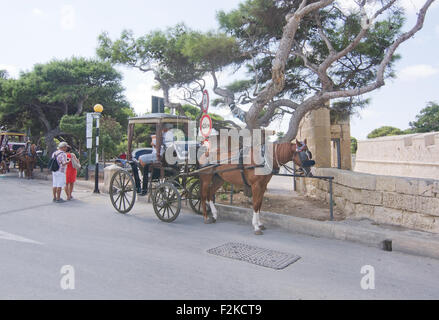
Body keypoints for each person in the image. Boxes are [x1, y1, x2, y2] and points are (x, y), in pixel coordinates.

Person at [136, 124, 174, 195]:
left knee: (140, 158)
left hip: (160, 156)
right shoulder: (170, 135)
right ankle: (147, 173)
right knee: (144, 160)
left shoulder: (163, 135)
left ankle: (146, 175)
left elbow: (160, 146)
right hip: (165, 156)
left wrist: (154, 144)